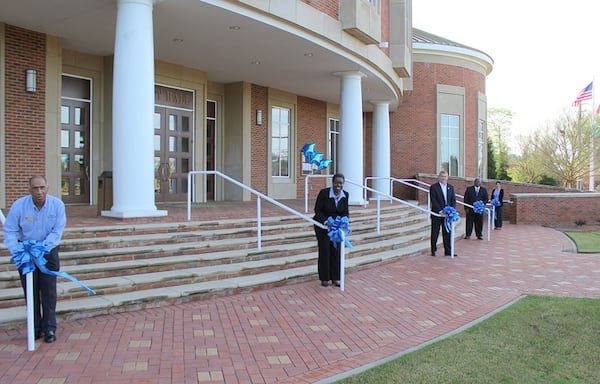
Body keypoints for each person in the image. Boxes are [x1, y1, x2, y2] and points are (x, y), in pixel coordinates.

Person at [3, 176, 67, 343]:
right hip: (26, 254)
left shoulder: (57, 205)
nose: (39, 192)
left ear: (47, 187)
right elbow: (10, 230)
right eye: (35, 188)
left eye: (42, 188)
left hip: (48, 253)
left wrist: (42, 248)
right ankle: (35, 328)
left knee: (49, 292)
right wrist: (17, 249)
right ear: (29, 189)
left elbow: (57, 231)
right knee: (31, 291)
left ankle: (49, 329)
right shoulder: (19, 206)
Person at [313, 173, 349, 287]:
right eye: (336, 182)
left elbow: (345, 212)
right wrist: (326, 222)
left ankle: (336, 277)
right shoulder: (324, 194)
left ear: (343, 184)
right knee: (325, 251)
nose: (338, 185)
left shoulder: (345, 195)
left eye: (341, 183)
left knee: (336, 251)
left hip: (337, 228)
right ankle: (325, 278)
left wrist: (345, 221)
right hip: (323, 226)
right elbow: (317, 211)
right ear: (332, 183)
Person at [429, 170, 457, 256]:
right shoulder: (433, 187)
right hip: (437, 214)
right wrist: (440, 211)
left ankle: (448, 251)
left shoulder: (451, 187)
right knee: (435, 232)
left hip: (447, 215)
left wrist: (451, 211)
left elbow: (453, 200)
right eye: (442, 176)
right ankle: (433, 250)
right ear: (439, 177)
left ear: (447, 177)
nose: (443, 178)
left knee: (447, 233)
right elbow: (434, 200)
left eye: (445, 176)